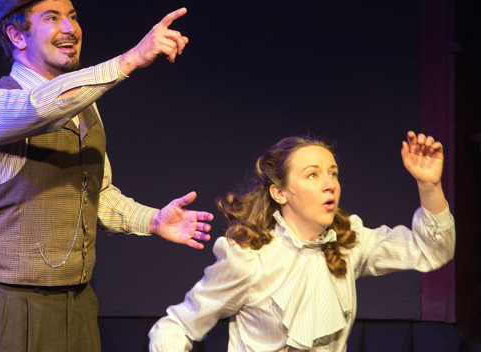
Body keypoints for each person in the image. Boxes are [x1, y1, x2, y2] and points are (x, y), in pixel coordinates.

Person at [0, 0, 213, 352]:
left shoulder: (85, 107)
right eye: (52, 18)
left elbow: (96, 194)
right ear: (16, 36)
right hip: (10, 307)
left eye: (72, 16)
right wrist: (128, 61)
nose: (69, 28)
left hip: (77, 302)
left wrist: (153, 220)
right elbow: (42, 109)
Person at [149, 132, 455, 351]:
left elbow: (432, 250)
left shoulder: (350, 241)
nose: (329, 184)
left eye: (333, 173)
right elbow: (176, 326)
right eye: (312, 175)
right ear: (280, 193)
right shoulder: (249, 258)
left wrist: (429, 186)